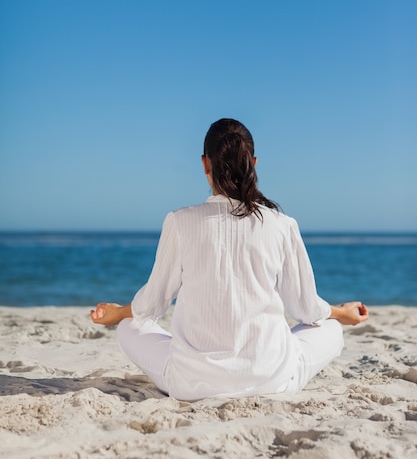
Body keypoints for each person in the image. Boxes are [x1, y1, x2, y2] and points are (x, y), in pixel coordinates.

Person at [91, 118, 368, 401]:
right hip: (272, 378)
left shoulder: (180, 221)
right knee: (330, 328)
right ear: (254, 163)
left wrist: (118, 313)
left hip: (192, 382)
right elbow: (307, 310)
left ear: (204, 163)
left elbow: (151, 305)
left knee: (129, 326)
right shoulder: (282, 225)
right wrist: (342, 312)